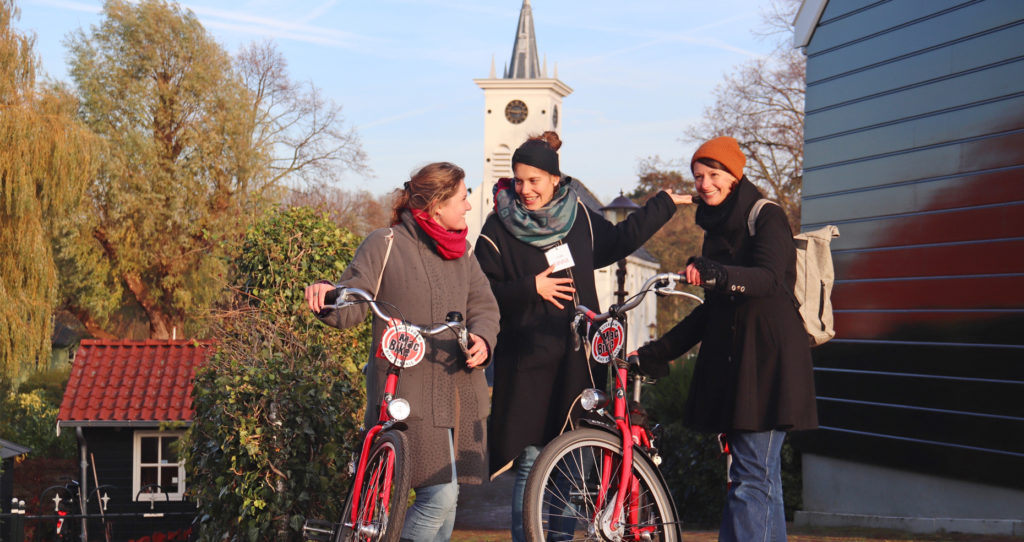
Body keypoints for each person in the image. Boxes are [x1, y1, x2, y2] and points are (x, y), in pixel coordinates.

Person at [473, 131, 689, 542]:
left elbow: (623, 238)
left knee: (571, 466)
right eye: (519, 181)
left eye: (534, 181)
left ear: (555, 178)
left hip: (578, 364)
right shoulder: (496, 229)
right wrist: (528, 289)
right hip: (527, 366)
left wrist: (661, 204)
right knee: (533, 465)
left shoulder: (581, 218)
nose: (525, 190)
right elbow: (478, 295)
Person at [635, 136, 818, 542]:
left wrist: (718, 273)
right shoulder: (714, 228)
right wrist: (655, 352)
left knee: (751, 478)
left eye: (714, 174)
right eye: (698, 176)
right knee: (755, 479)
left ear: (735, 176)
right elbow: (711, 313)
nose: (704, 184)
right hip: (738, 366)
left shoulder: (766, 215)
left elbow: (769, 279)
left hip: (770, 363)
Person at [305, 162, 500, 542]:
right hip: (405, 391)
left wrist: (482, 337)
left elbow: (485, 306)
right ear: (438, 204)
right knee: (439, 495)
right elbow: (354, 299)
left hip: (456, 391)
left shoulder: (464, 253)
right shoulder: (386, 243)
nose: (469, 207)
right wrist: (328, 295)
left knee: (448, 503)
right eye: (463, 198)